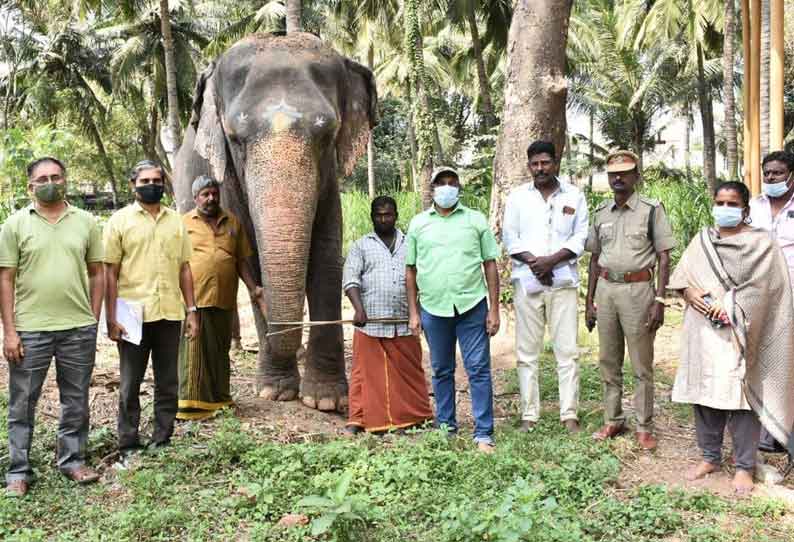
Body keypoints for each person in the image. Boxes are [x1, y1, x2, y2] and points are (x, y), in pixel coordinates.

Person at [670, 181, 794, 494]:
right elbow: (682, 277)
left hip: (743, 333)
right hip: (703, 332)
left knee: (741, 399)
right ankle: (710, 456)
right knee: (705, 394)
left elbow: (770, 289)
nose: (724, 209)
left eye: (732, 204)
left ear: (745, 210)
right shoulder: (703, 240)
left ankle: (744, 466)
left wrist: (731, 308)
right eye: (720, 203)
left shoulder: (762, 243)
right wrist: (691, 292)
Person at [0, 157, 104, 497]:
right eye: (42, 178)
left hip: (78, 329)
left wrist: (93, 317)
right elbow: (6, 279)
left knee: (75, 400)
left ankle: (73, 461)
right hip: (30, 330)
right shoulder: (14, 225)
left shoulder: (86, 222)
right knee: (22, 403)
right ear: (30, 186)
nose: (51, 182)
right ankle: (18, 471)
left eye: (56, 176)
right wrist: (10, 332)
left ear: (66, 180)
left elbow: (97, 272)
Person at [104, 160, 198, 461]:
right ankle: (128, 443)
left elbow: (185, 269)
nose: (151, 185)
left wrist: (192, 310)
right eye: (144, 181)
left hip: (170, 312)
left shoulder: (176, 221)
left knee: (168, 380)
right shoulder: (119, 221)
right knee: (130, 383)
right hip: (132, 315)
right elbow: (110, 273)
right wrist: (111, 317)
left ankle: (162, 437)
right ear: (133, 185)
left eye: (157, 180)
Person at [585, 150, 675, 450]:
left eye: (625, 172)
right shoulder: (600, 213)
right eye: (613, 174)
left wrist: (659, 299)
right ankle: (613, 419)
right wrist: (589, 301)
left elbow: (664, 258)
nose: (618, 178)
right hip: (607, 290)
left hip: (639, 291)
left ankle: (644, 426)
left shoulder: (651, 210)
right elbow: (594, 259)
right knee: (608, 360)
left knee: (641, 363)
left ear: (637, 175)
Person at [406, 167, 501, 453]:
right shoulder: (419, 224)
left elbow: (490, 264)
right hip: (433, 309)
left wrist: (494, 309)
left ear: (459, 188)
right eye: (441, 183)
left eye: (452, 183)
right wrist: (413, 312)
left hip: (472, 306)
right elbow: (410, 270)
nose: (447, 188)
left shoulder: (475, 220)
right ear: (432, 188)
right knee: (441, 369)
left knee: (478, 369)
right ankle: (446, 427)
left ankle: (483, 433)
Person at [502, 141, 588, 434]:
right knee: (527, 352)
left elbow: (580, 237)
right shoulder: (517, 198)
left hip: (562, 281)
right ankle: (529, 414)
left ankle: (569, 414)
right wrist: (535, 263)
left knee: (567, 350)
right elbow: (510, 238)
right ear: (529, 166)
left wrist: (551, 261)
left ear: (555, 163)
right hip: (528, 282)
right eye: (535, 164)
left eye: (545, 163)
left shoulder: (574, 196)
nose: (540, 168)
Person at [177, 176, 267, 420]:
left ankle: (218, 399)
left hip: (225, 299)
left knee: (220, 349)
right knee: (195, 350)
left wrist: (254, 289)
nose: (211, 198)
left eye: (214, 193)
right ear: (196, 198)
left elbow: (241, 261)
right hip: (196, 299)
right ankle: (191, 404)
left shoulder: (232, 223)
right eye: (205, 194)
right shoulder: (183, 223)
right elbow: (177, 263)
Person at [342, 196, 433, 435]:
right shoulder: (361, 246)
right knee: (364, 374)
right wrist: (359, 309)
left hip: (404, 321)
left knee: (408, 372)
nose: (384, 219)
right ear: (372, 217)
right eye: (378, 215)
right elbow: (350, 280)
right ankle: (360, 418)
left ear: (396, 215)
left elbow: (423, 276)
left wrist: (421, 311)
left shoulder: (410, 243)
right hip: (371, 323)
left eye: (388, 214)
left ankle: (413, 416)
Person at [749, 150, 794, 453]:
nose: (770, 178)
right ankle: (766, 431)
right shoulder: (754, 206)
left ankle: (786, 431)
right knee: (765, 362)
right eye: (767, 173)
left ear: (791, 175)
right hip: (762, 297)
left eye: (777, 173)